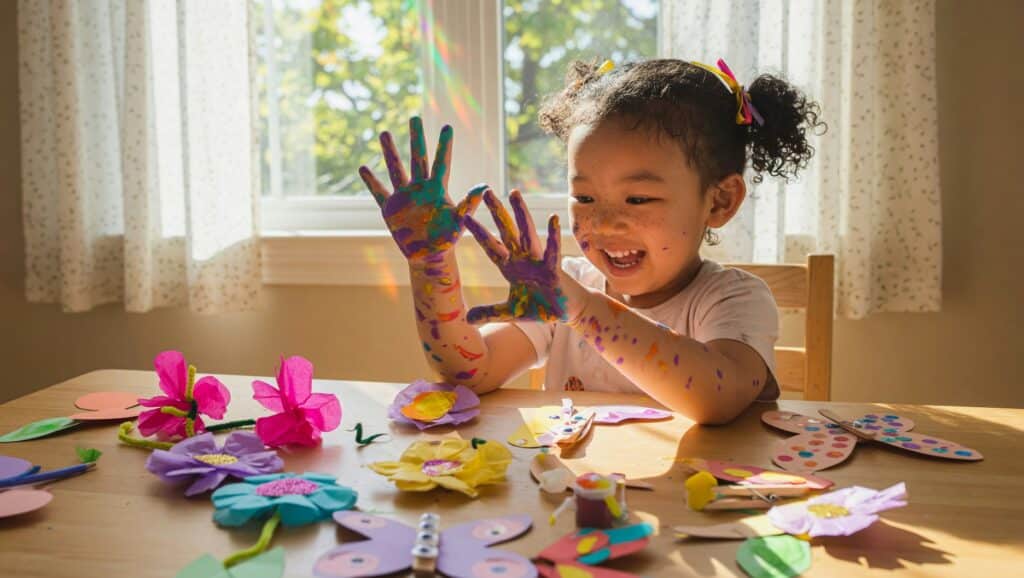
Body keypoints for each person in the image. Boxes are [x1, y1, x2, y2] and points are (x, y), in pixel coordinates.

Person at [359, 58, 822, 424]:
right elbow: (468, 372)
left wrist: (581, 309)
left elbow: (714, 400)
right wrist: (432, 265)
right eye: (584, 195)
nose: (603, 223)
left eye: (638, 198)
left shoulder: (733, 300)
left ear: (719, 201)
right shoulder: (572, 288)